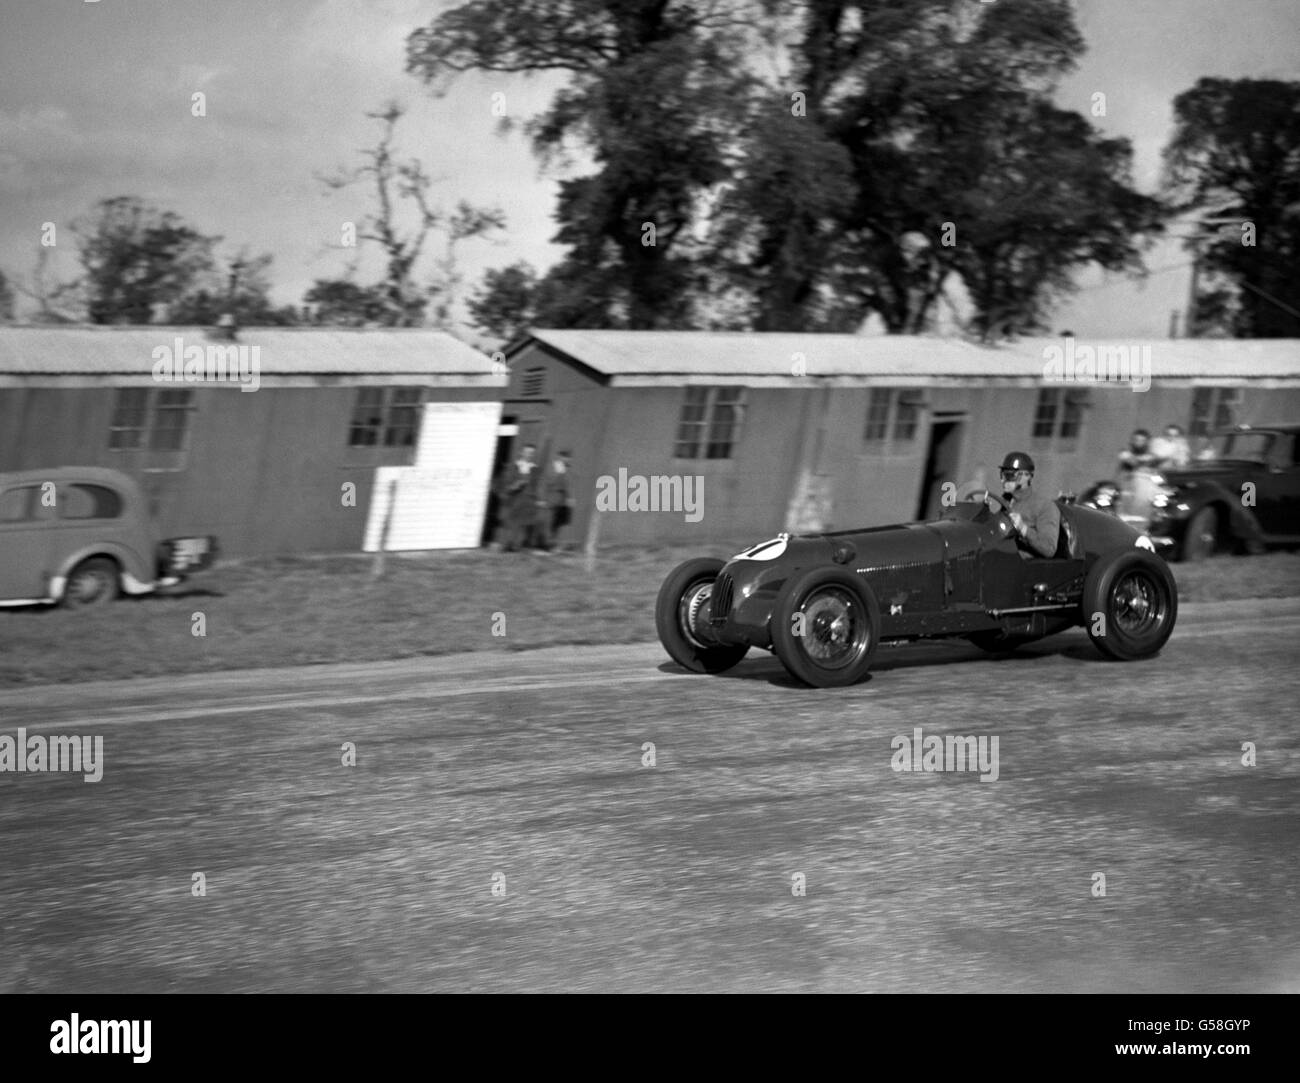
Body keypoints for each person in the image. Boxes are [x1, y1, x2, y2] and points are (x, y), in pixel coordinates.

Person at [993, 451, 1060, 558]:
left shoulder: (1044, 506)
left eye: (1009, 475)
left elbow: (1049, 548)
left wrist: (1023, 529)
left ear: (1027, 476)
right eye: (1003, 475)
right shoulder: (1005, 502)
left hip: (1021, 565)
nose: (1003, 480)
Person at [497, 443, 540, 552]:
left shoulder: (534, 469)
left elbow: (537, 486)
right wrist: (515, 485)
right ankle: (506, 545)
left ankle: (516, 546)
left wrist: (536, 500)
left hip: (527, 501)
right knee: (510, 523)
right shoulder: (514, 467)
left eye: (531, 453)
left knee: (522, 524)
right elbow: (505, 485)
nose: (529, 455)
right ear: (521, 452)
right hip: (514, 499)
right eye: (527, 452)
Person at [537, 450, 575, 551]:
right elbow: (544, 484)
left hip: (561, 501)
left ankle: (551, 543)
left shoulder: (566, 470)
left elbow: (568, 486)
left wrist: (570, 498)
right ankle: (546, 544)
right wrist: (542, 499)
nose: (568, 461)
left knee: (557, 523)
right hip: (551, 499)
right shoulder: (552, 469)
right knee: (548, 522)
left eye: (569, 459)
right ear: (560, 458)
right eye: (566, 458)